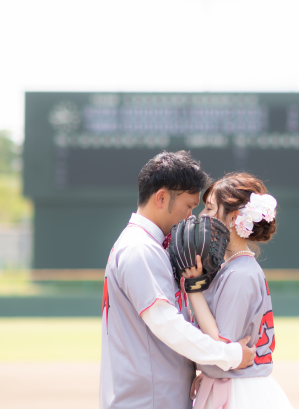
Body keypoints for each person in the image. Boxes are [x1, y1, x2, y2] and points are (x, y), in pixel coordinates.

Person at [100, 151, 256, 409]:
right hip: (147, 401)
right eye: (189, 206)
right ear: (161, 198)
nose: (192, 217)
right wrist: (229, 355)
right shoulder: (140, 249)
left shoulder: (150, 245)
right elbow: (166, 324)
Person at [183, 172, 294, 409]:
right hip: (236, 385)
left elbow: (223, 350)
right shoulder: (236, 268)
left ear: (234, 219)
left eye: (210, 209)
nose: (203, 215)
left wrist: (193, 289)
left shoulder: (240, 274)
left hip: (240, 394)